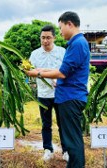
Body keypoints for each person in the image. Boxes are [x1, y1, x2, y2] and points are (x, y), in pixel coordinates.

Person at [26, 11, 90, 167]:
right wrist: (39, 71)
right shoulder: (76, 44)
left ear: (69, 24)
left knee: (72, 140)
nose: (60, 32)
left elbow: (61, 73)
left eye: (61, 28)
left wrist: (38, 73)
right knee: (67, 135)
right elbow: (62, 70)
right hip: (63, 96)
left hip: (70, 97)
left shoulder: (77, 44)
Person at [29, 25, 66, 161]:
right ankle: (48, 149)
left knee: (63, 124)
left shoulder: (62, 52)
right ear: (40, 38)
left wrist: (42, 71)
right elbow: (29, 71)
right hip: (43, 94)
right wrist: (47, 72)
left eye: (48, 38)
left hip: (61, 93)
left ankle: (66, 150)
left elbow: (65, 71)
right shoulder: (35, 54)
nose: (45, 41)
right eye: (43, 38)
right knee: (46, 124)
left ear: (54, 38)